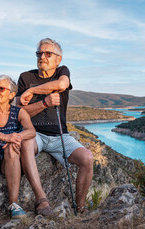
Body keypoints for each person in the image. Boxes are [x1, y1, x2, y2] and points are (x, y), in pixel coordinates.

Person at [16, 38, 94, 213]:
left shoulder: (62, 71)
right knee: (25, 143)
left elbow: (62, 85)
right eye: (39, 53)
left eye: (48, 53)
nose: (42, 56)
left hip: (60, 136)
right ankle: (41, 200)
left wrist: (32, 90)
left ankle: (80, 207)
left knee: (87, 159)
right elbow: (19, 112)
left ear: (58, 59)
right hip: (34, 133)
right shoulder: (25, 77)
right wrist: (45, 102)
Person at [0, 74, 53, 219]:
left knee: (13, 148)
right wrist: (5, 137)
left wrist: (17, 137)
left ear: (11, 95)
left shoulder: (18, 112)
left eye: (1, 89)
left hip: (6, 161)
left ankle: (13, 203)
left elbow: (31, 131)